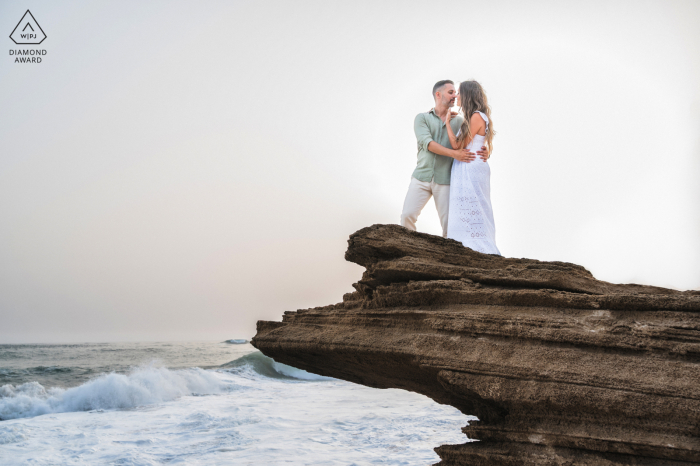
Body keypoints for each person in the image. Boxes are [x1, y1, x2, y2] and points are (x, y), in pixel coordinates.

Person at [400, 80, 490, 237]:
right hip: (421, 177)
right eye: (450, 92)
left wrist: (485, 149)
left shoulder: (461, 121)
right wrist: (455, 154)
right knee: (407, 215)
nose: (455, 95)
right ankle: (409, 249)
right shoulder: (422, 119)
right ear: (438, 94)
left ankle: (447, 259)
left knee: (450, 224)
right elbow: (429, 144)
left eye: (456, 92)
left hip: (446, 180)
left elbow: (474, 140)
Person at [444, 80, 500, 255]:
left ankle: (478, 248)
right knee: (471, 206)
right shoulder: (476, 116)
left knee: (473, 206)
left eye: (459, 93)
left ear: (467, 95)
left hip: (470, 166)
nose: (457, 96)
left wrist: (447, 123)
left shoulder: (476, 116)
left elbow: (458, 145)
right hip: (468, 164)